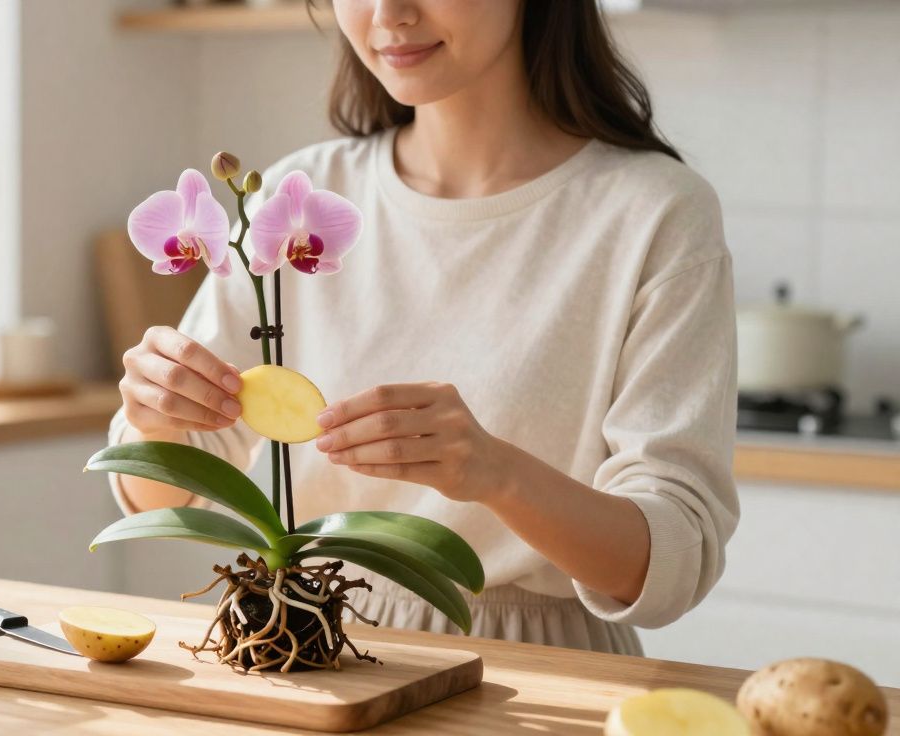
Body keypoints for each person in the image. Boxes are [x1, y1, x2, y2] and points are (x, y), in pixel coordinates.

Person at [106, 0, 738, 655]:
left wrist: (497, 473)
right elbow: (158, 497)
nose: (389, 13)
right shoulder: (302, 197)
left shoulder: (656, 214)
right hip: (306, 644)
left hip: (534, 670)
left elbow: (670, 566)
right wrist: (156, 420)